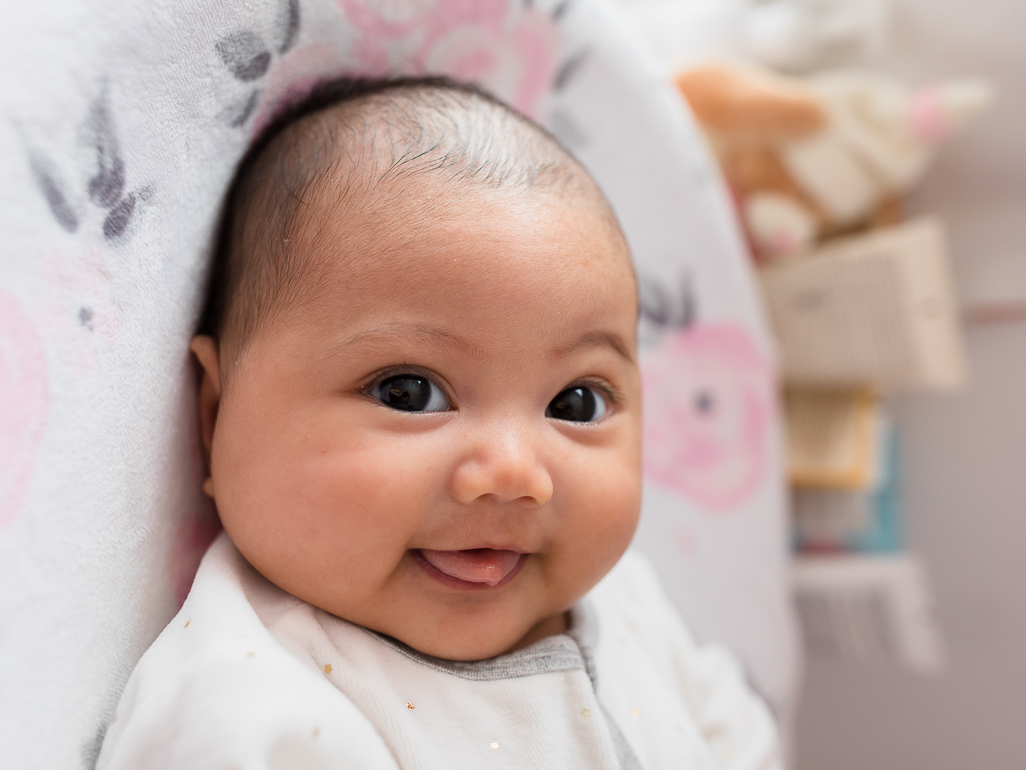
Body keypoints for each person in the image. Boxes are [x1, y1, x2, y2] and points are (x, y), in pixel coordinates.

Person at [98, 77, 781, 769]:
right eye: (409, 392)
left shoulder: (626, 601)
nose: (516, 474)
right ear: (215, 417)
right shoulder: (247, 708)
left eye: (576, 403)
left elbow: (738, 742)